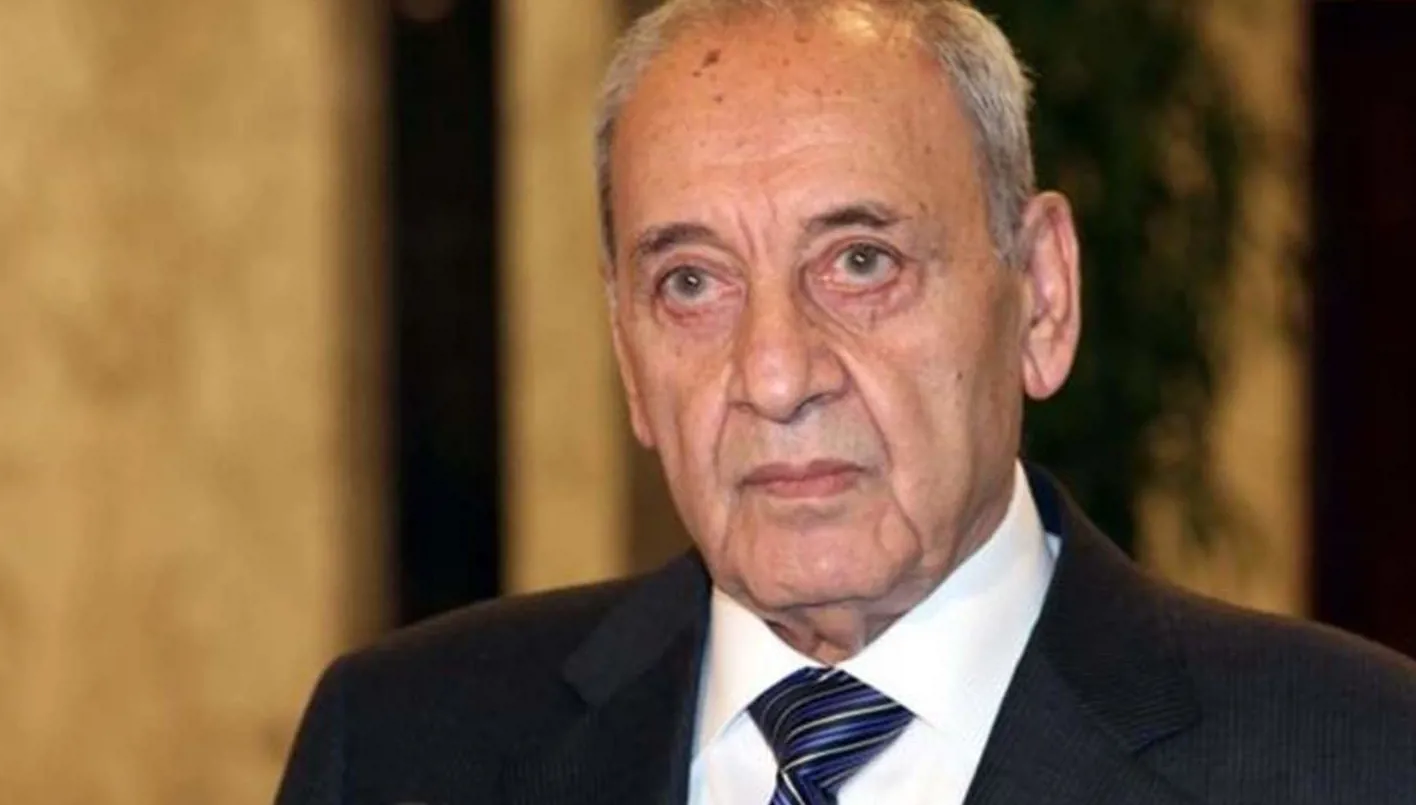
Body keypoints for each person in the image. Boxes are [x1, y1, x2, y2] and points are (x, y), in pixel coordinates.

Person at [275, 1, 1416, 803]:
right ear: (628, 354)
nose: (776, 375)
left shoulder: (1358, 759)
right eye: (692, 283)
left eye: (860, 262)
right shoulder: (402, 746)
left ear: (1042, 297)